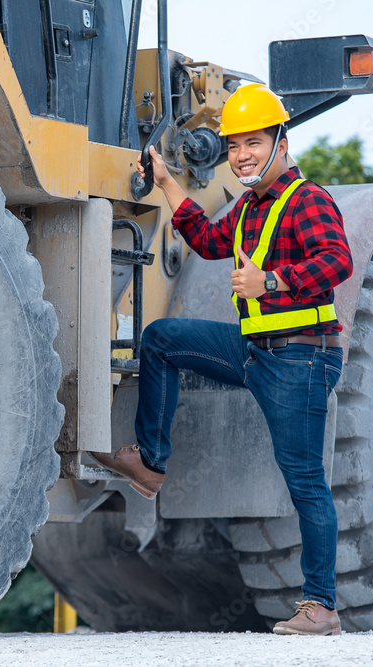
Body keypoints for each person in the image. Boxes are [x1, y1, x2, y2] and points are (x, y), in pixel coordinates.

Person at [92, 83, 352, 636]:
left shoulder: (308, 201)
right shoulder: (250, 207)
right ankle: (151, 464)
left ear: (282, 142)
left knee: (305, 482)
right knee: (161, 338)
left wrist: (273, 280)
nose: (242, 156)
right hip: (255, 351)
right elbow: (209, 240)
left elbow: (337, 261)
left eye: (254, 143)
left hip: (301, 360)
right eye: (235, 147)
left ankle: (321, 607)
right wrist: (165, 183)